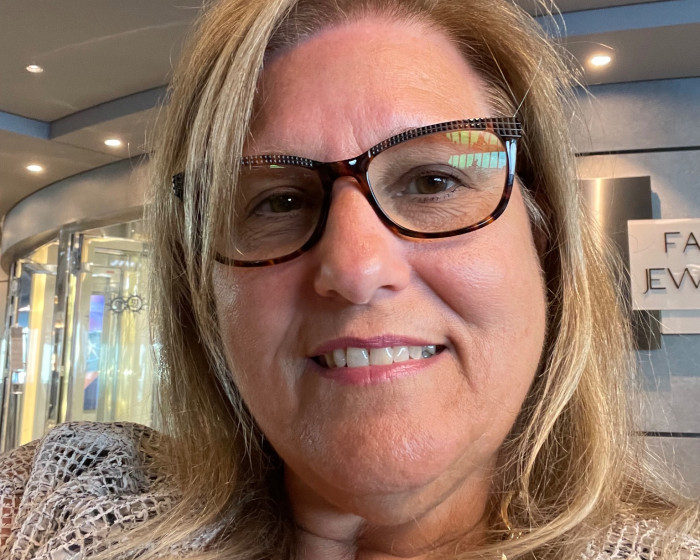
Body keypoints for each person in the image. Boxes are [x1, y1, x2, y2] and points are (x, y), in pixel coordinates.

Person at [1, 0, 698, 558]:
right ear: (203, 294)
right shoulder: (59, 504)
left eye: (433, 181)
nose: (356, 270)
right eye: (279, 201)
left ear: (543, 243)